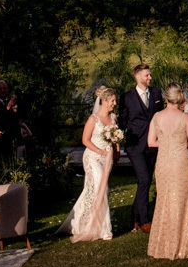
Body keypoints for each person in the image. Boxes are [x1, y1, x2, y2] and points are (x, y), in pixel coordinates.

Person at [58, 86, 118, 242]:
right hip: (92, 157)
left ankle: (80, 222)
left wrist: (115, 152)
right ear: (104, 101)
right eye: (112, 100)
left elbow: (116, 138)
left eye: (115, 100)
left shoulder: (114, 118)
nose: (114, 103)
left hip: (107, 158)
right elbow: (85, 140)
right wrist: (100, 151)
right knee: (100, 187)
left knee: (94, 190)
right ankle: (104, 229)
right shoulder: (94, 119)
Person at [146, 83, 188, 259]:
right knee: (180, 202)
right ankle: (181, 246)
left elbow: (151, 142)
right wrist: (177, 143)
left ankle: (161, 245)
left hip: (162, 163)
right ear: (180, 97)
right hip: (180, 163)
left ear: (166, 98)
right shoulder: (186, 118)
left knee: (164, 200)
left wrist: (166, 143)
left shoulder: (156, 117)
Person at [119, 63, 163, 233]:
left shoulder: (157, 93)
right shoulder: (127, 97)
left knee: (145, 181)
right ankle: (145, 221)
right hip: (135, 146)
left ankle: (135, 219)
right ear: (137, 77)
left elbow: (160, 115)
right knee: (144, 179)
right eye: (147, 75)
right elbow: (123, 121)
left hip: (153, 144)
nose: (150, 78)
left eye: (150, 75)